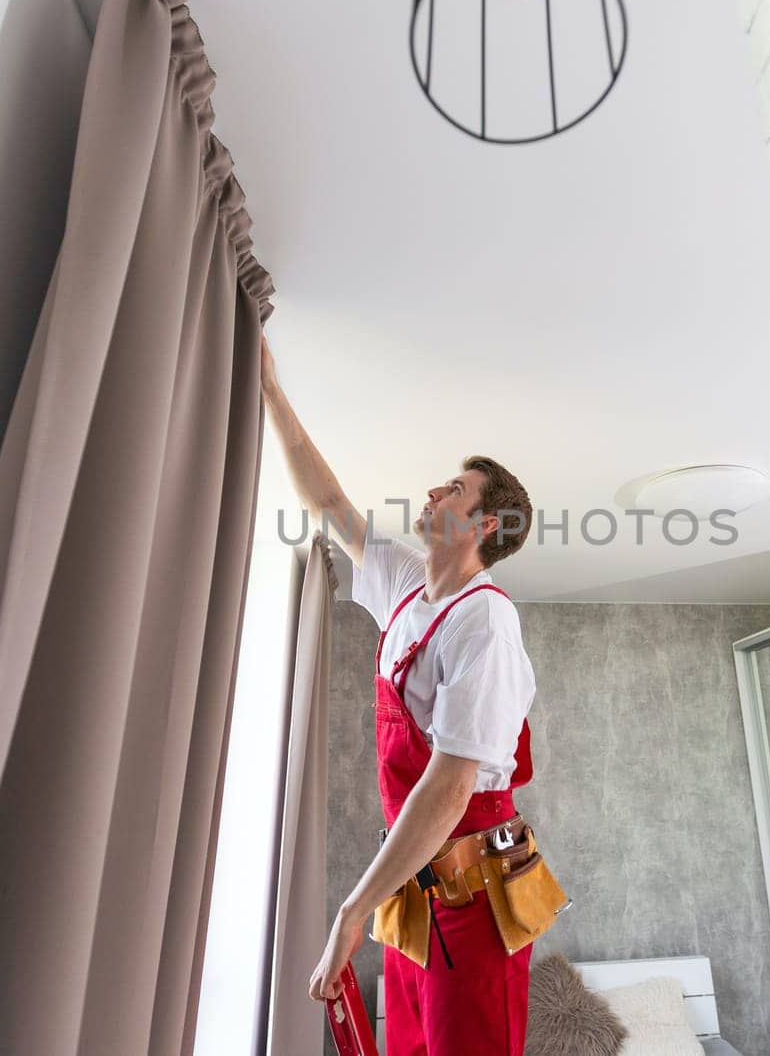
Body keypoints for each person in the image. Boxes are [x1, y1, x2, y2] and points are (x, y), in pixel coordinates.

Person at [260, 333, 542, 1054]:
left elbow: (449, 792)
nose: (433, 490)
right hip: (413, 886)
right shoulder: (408, 586)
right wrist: (268, 387)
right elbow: (326, 500)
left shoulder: (486, 619)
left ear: (483, 525)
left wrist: (351, 912)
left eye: (454, 488)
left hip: (474, 896)